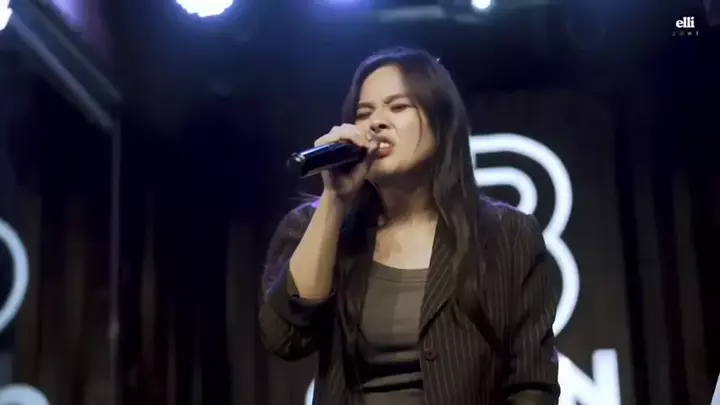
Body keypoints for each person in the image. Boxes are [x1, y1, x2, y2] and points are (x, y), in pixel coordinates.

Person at [258, 47, 561, 405]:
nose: (376, 122)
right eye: (364, 113)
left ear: (439, 122)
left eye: (398, 107)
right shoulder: (316, 225)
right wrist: (335, 199)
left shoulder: (507, 234)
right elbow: (284, 337)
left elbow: (531, 383)